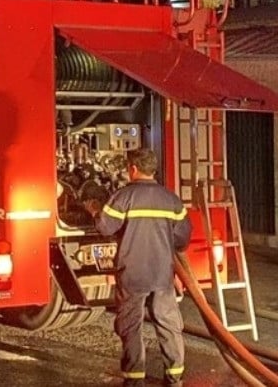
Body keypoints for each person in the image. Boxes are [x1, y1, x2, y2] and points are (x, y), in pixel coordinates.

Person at [86, 148, 191, 387]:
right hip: (163, 274)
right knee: (168, 324)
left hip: (132, 273)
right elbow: (182, 238)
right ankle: (175, 375)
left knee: (131, 325)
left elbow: (105, 227)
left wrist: (93, 211)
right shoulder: (171, 199)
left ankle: (135, 379)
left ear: (133, 169)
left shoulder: (124, 197)